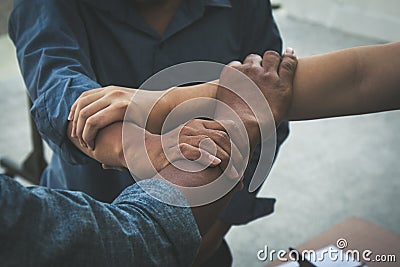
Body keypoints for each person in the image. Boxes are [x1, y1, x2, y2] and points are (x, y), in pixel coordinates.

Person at [8, 0, 288, 264]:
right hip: (89, 219)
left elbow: (273, 99)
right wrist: (141, 145)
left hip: (205, 228)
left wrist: (216, 224)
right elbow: (60, 92)